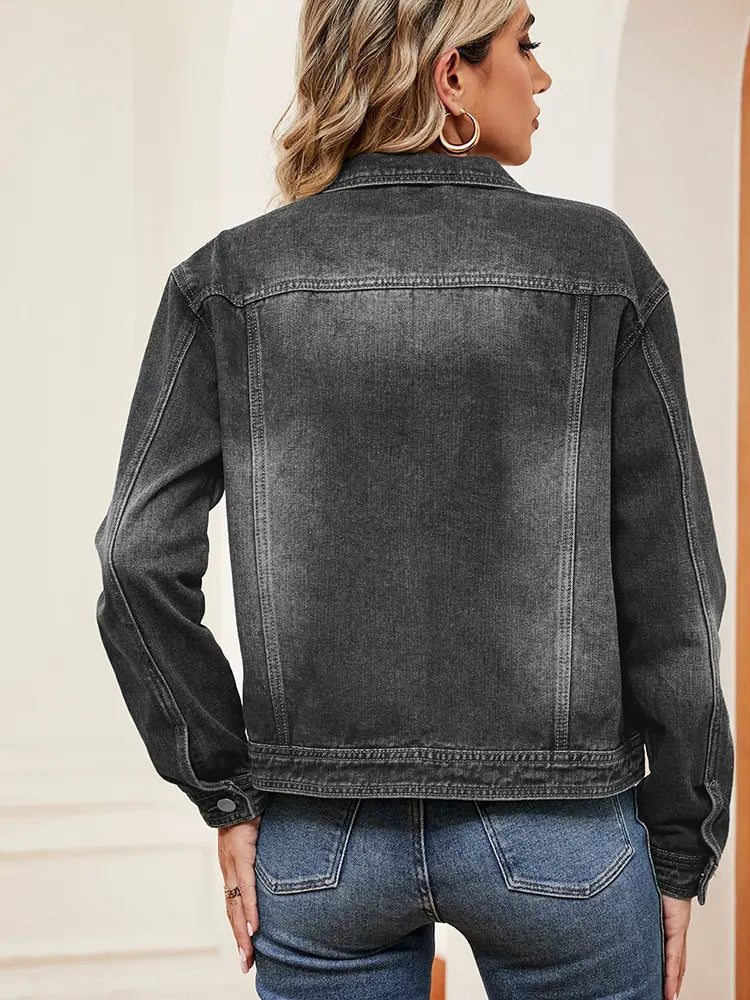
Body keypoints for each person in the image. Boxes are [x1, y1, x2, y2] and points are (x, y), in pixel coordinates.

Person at [93, 2, 735, 998]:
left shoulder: (228, 280)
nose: (541, 75)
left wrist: (226, 788)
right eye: (524, 43)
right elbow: (677, 592)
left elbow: (134, 557)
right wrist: (683, 841)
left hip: (322, 844)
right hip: (562, 839)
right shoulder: (599, 265)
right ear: (451, 77)